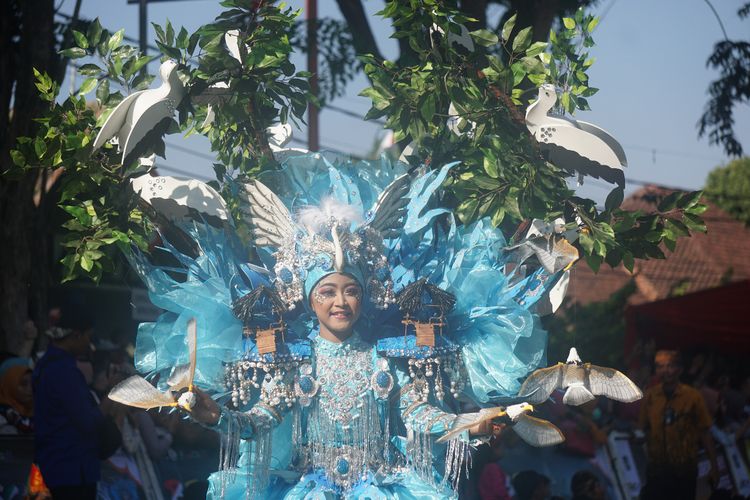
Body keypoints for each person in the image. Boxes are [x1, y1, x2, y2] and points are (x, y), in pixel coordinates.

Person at [117, 155, 557, 499]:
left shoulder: (388, 356)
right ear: (309, 300)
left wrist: (470, 424)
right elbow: (262, 420)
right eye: (327, 292)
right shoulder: (295, 359)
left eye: (350, 291)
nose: (340, 301)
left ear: (366, 297)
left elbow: (422, 417)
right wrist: (220, 417)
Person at [32, 316, 103, 500]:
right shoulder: (63, 372)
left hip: (55, 467)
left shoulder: (45, 365)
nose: (89, 343)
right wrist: (110, 404)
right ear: (76, 335)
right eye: (88, 336)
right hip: (71, 471)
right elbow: (86, 421)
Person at [638, 349, 719, 500]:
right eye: (660, 366)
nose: (665, 371)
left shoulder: (693, 397)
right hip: (657, 470)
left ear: (680, 370)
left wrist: (714, 466)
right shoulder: (649, 396)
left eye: (670, 366)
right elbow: (642, 429)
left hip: (684, 469)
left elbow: (705, 432)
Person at [0, 357, 34, 434]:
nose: (30, 389)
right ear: (10, 385)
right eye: (23, 384)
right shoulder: (4, 414)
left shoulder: (38, 409)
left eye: (34, 384)